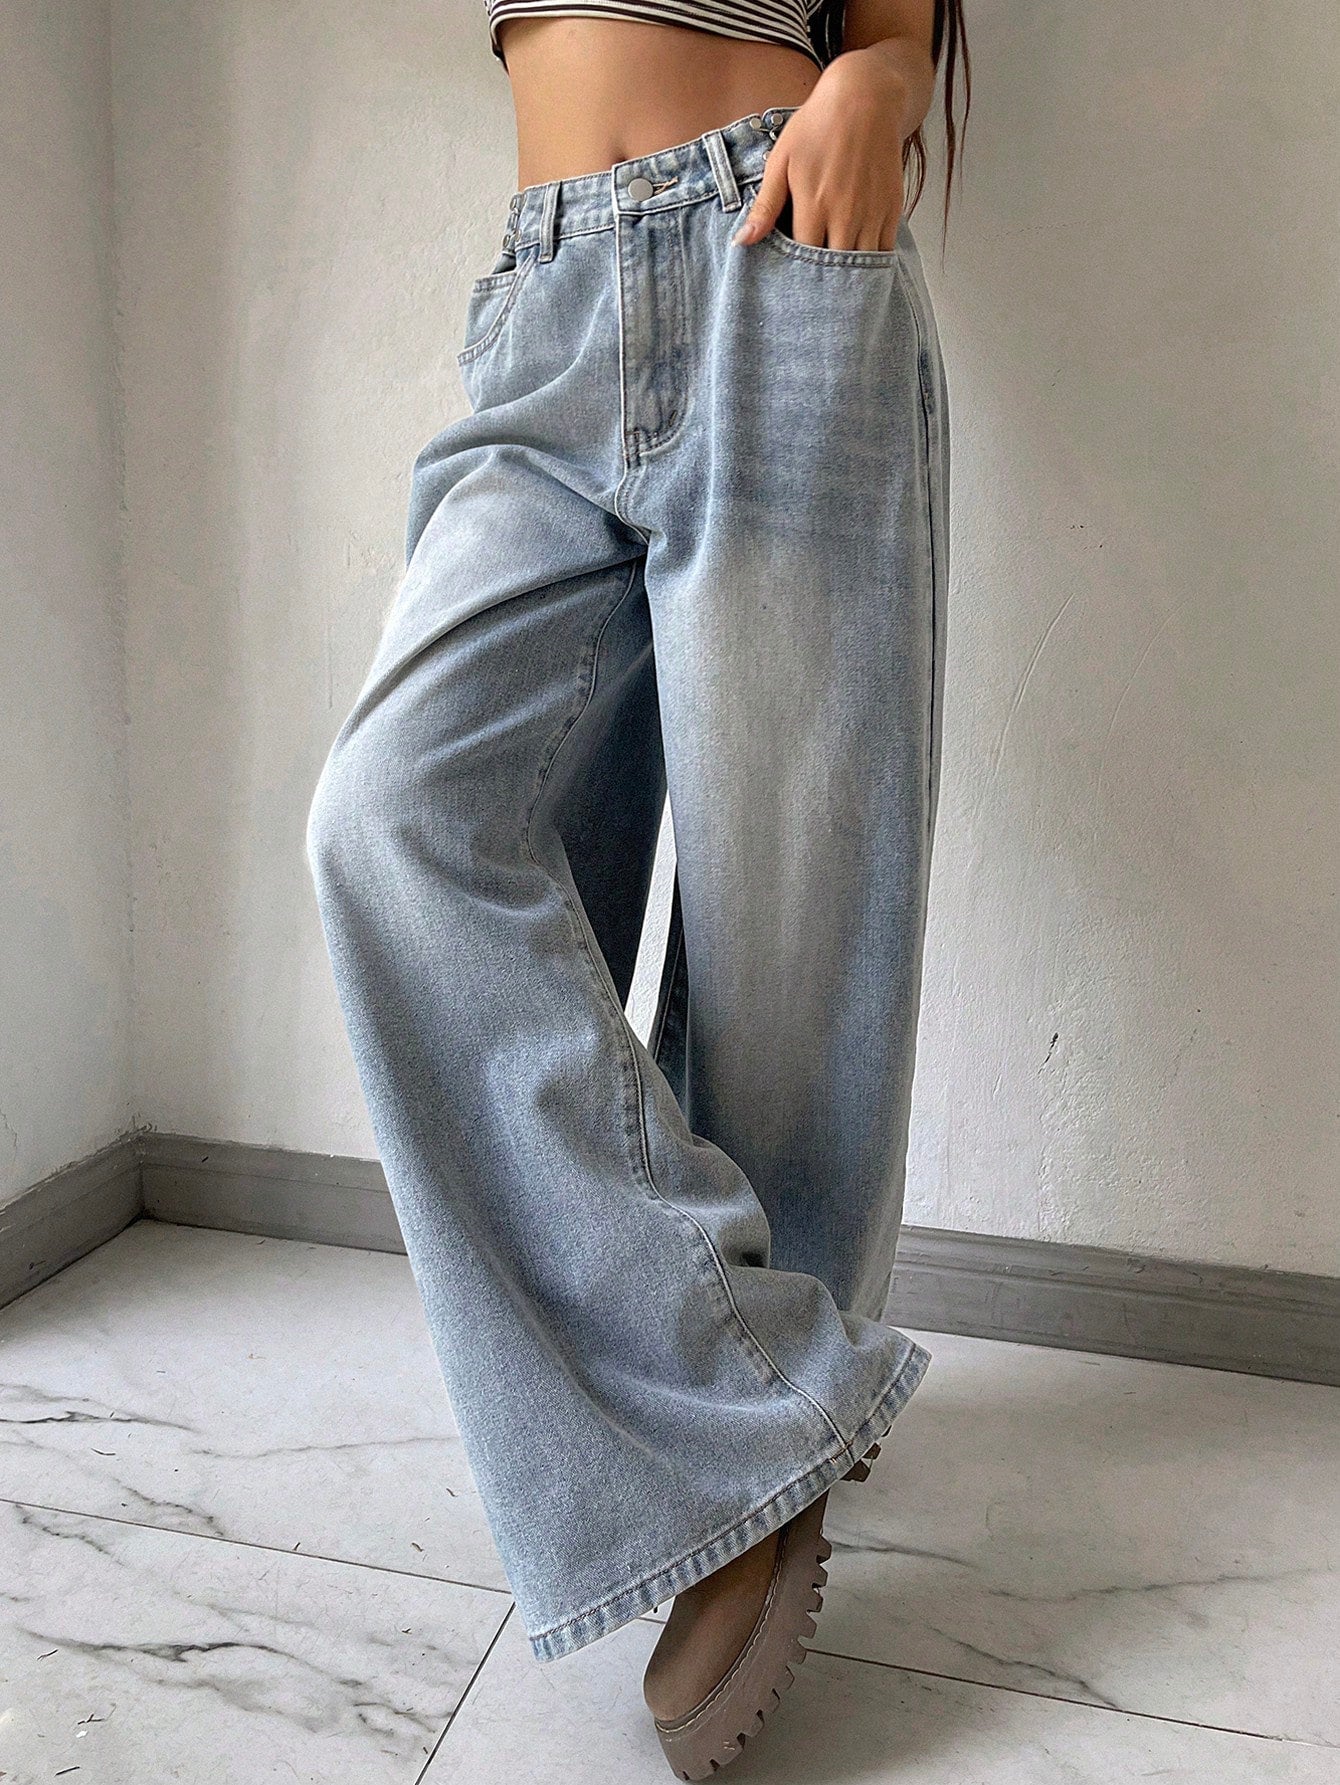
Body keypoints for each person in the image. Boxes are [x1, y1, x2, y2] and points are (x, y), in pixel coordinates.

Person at [305, 0, 968, 1774]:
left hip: (779, 253)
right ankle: (750, 1395)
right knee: (391, 820)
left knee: (787, 949)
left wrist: (881, 87)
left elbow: (897, 30)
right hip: (542, 313)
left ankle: (760, 1454)